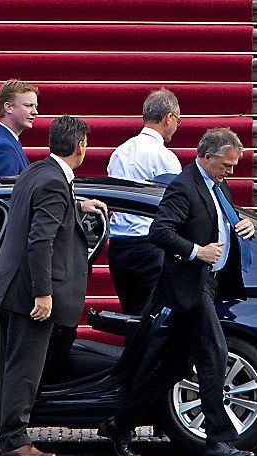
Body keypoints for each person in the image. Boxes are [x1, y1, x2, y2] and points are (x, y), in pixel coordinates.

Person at [98, 128, 256, 456]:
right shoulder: (183, 187)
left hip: (209, 284)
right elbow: (159, 231)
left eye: (233, 165)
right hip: (189, 286)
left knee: (174, 363)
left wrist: (245, 224)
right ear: (206, 156)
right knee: (214, 353)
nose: (231, 171)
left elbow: (223, 216)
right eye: (226, 165)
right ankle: (218, 440)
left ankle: (119, 423)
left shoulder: (216, 183)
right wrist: (197, 251)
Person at [0, 116, 108, 456]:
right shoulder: (55, 183)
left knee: (12, 364)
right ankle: (14, 438)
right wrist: (43, 294)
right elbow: (40, 240)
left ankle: (8, 432)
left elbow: (43, 210)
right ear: (81, 145)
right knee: (25, 368)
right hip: (29, 291)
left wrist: (77, 205)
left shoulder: (37, 172)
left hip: (7, 285)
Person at [107, 88, 183, 315]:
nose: (178, 125)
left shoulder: (119, 152)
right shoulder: (164, 156)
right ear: (168, 117)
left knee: (130, 315)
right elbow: (175, 204)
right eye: (178, 119)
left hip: (119, 246)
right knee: (153, 320)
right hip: (148, 246)